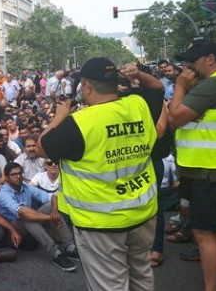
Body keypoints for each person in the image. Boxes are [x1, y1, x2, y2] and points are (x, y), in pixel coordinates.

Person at [35, 58, 164, 289]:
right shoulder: (138, 105)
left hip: (101, 224)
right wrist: (140, 75)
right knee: (141, 277)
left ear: (86, 87)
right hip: (143, 214)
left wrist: (60, 115)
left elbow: (41, 147)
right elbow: (157, 87)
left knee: (110, 286)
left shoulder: (79, 123)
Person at [168, 40, 216, 291]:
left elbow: (176, 117)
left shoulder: (215, 84)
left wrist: (180, 87)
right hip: (212, 169)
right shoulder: (215, 83)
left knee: (203, 233)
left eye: (193, 61)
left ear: (210, 59)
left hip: (210, 171)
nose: (187, 66)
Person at [0, 163, 79, 272]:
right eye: (14, 174)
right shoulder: (4, 194)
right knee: (28, 219)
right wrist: (50, 218)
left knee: (49, 206)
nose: (18, 176)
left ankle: (69, 246)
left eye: (20, 173)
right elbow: (24, 213)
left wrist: (54, 211)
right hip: (10, 231)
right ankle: (55, 253)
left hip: (26, 224)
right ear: (6, 178)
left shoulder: (26, 188)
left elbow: (53, 196)